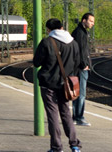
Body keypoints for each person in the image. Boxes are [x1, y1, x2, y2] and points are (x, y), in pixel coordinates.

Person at [33, 18, 82, 152]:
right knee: (66, 112)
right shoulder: (73, 43)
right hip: (66, 85)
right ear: (61, 27)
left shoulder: (46, 42)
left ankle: (56, 147)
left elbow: (36, 62)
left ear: (49, 29)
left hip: (48, 84)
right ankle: (75, 145)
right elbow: (78, 63)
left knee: (52, 115)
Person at [71, 12, 95, 126]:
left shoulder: (81, 32)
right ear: (84, 20)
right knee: (81, 94)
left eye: (93, 22)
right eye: (90, 21)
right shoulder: (80, 33)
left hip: (80, 67)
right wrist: (84, 64)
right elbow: (80, 51)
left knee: (78, 93)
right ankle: (79, 117)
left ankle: (76, 117)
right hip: (81, 68)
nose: (92, 24)